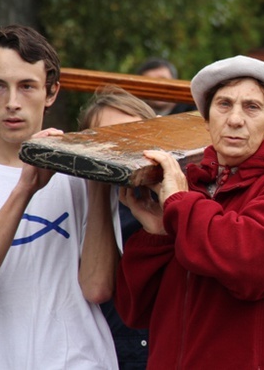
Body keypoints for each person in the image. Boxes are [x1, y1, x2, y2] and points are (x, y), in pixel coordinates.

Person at [114, 55, 264, 369]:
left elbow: (244, 262)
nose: (235, 119)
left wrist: (179, 203)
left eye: (252, 107)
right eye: (224, 105)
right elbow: (135, 310)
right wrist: (157, 233)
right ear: (207, 118)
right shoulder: (192, 188)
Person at [0, 25, 118, 368]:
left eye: (27, 86)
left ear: (51, 93)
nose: (13, 103)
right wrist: (25, 187)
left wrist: (94, 177)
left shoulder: (83, 176)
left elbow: (97, 287)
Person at [78, 85, 156, 370]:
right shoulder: (81, 201)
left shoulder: (177, 198)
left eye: (133, 135)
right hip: (110, 351)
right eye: (108, 140)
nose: (123, 148)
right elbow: (97, 288)